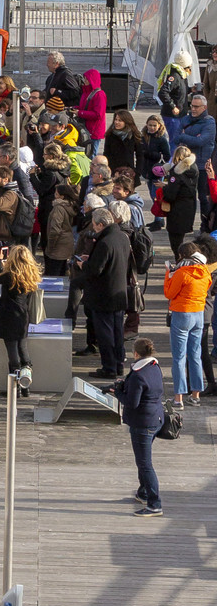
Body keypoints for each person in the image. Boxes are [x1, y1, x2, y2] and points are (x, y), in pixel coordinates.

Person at [82, 205, 134, 377]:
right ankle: (118, 365)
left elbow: (95, 270)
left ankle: (109, 368)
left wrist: (83, 264)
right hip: (119, 292)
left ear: (100, 225)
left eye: (94, 224)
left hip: (104, 295)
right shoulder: (122, 237)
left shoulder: (105, 242)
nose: (93, 227)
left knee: (105, 334)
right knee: (117, 332)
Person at [118, 337, 166, 516]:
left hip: (143, 424)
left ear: (136, 354)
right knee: (143, 459)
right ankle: (143, 492)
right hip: (157, 419)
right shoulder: (154, 367)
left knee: (145, 464)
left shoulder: (138, 374)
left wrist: (117, 393)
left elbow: (132, 403)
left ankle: (154, 504)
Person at [166, 241, 212, 402]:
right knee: (195, 354)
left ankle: (178, 397)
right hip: (199, 314)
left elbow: (169, 293)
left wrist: (169, 274)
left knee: (179, 357)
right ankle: (195, 395)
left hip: (182, 313)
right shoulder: (205, 272)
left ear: (182, 256)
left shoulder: (181, 273)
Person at [0, 243, 41, 389]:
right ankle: (26, 381)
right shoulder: (31, 275)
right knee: (22, 347)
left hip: (8, 317)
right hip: (23, 316)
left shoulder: (8, 276)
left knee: (12, 351)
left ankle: (16, 387)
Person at [77, 68, 110, 155]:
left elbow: (98, 114)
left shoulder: (99, 94)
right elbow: (84, 107)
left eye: (87, 79)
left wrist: (79, 113)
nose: (84, 80)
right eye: (84, 78)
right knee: (86, 153)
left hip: (94, 130)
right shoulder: (85, 92)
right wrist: (74, 108)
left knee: (92, 154)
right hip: (86, 128)